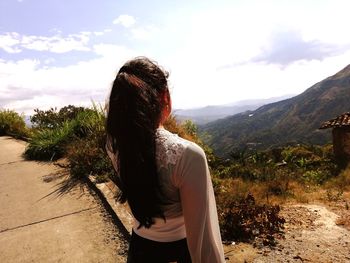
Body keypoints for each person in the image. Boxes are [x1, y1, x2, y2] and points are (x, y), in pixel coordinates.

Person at [105, 57, 225, 263]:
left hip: (139, 250)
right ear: (165, 99)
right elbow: (203, 242)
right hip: (180, 253)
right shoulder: (187, 156)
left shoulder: (114, 145)